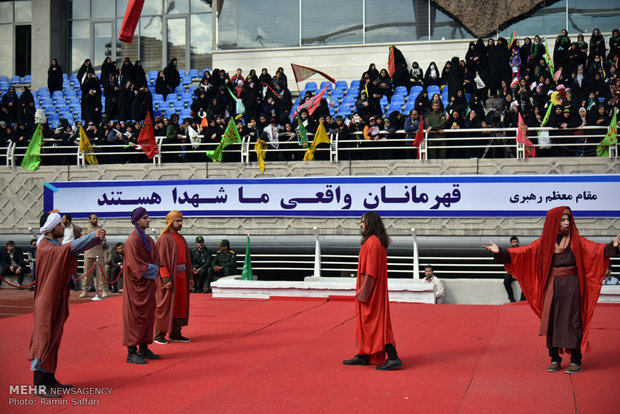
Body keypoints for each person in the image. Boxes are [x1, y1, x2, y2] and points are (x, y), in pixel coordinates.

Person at [484, 206, 620, 374]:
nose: (567, 222)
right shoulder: (544, 243)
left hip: (571, 286)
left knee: (573, 321)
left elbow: (596, 250)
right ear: (554, 222)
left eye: (568, 219)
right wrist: (502, 252)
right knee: (552, 321)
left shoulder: (577, 242)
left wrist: (612, 245)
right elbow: (524, 252)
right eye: (562, 219)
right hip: (552, 287)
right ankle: (555, 358)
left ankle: (576, 360)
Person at [29, 212, 105, 398]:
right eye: (60, 225)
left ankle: (49, 379)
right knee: (45, 337)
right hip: (46, 300)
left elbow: (69, 250)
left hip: (55, 298)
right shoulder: (46, 247)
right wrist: (91, 237)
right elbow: (68, 250)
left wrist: (92, 239)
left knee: (54, 337)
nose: (63, 227)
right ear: (51, 228)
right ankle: (39, 384)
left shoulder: (54, 245)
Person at [343, 212, 401, 370]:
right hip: (374, 290)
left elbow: (370, 272)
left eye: (363, 221)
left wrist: (363, 293)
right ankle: (364, 355)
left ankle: (393, 356)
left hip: (371, 292)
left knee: (376, 323)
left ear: (371, 224)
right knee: (370, 323)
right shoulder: (375, 242)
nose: (361, 224)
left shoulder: (372, 243)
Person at [123, 208, 161, 365]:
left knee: (148, 315)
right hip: (135, 286)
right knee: (134, 317)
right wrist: (153, 269)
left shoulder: (148, 240)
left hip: (147, 285)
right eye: (145, 218)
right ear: (137, 220)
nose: (148, 220)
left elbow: (157, 258)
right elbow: (134, 265)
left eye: (148, 217)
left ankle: (144, 348)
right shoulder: (132, 240)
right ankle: (131, 351)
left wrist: (155, 267)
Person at [154, 210, 193, 344]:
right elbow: (161, 262)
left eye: (181, 221)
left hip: (182, 278)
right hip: (171, 279)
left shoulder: (181, 238)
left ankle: (176, 333)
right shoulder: (164, 239)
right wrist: (166, 279)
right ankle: (159, 335)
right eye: (178, 221)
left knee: (179, 307)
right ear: (171, 222)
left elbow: (187, 260)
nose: (180, 223)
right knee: (165, 306)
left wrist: (190, 277)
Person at [80, 214, 108, 298]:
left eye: (96, 219)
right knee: (86, 273)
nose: (95, 220)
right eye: (93, 219)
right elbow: (82, 239)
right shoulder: (85, 230)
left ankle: (104, 290)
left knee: (101, 273)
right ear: (89, 220)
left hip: (98, 253)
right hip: (88, 253)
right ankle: (85, 290)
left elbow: (102, 240)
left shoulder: (100, 229)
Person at [502, 236, 526, 302]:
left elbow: (525, 265)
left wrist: (519, 274)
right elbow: (507, 266)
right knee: (506, 281)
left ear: (518, 242)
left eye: (516, 242)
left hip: (521, 273)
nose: (515, 243)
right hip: (512, 273)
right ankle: (512, 299)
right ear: (511, 244)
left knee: (526, 281)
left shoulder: (522, 252)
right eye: (513, 242)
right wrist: (513, 274)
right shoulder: (509, 253)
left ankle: (523, 299)